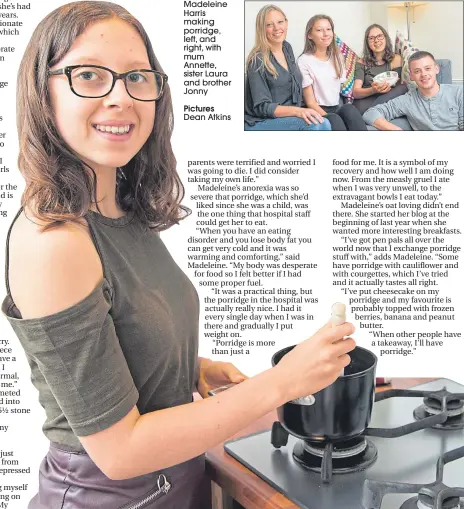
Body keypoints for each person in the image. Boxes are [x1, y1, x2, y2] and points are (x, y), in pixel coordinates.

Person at [2, 2, 355, 508]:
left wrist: (190, 367)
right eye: (88, 75)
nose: (121, 97)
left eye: (137, 78)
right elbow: (117, 452)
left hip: (174, 485)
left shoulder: (119, 205)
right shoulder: (53, 239)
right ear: (43, 91)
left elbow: (124, 334)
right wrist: (283, 382)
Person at [245, 4, 331, 131]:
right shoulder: (257, 60)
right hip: (261, 121)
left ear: (286, 22)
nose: (276, 28)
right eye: (269, 25)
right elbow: (261, 107)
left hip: (289, 116)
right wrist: (297, 111)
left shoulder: (286, 48)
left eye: (280, 22)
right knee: (319, 124)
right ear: (262, 29)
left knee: (324, 120)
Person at [297, 14, 367, 131]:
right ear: (310, 35)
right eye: (319, 30)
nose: (325, 34)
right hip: (316, 109)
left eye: (328, 29)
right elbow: (310, 103)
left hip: (335, 107)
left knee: (349, 109)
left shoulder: (338, 57)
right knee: (335, 119)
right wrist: (331, 116)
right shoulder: (304, 60)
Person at [363, 51, 463, 130]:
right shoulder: (407, 100)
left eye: (427, 68)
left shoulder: (458, 92)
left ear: (436, 69)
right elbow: (370, 113)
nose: (423, 74)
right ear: (411, 76)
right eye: (417, 71)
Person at [353, 24, 408, 115]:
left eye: (380, 36)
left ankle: (372, 113)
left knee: (403, 88)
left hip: (388, 99)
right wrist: (373, 90)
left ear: (385, 38)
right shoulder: (361, 62)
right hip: (367, 100)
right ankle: (372, 113)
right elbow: (356, 92)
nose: (376, 40)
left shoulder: (396, 59)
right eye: (371, 38)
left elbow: (397, 87)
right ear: (367, 42)